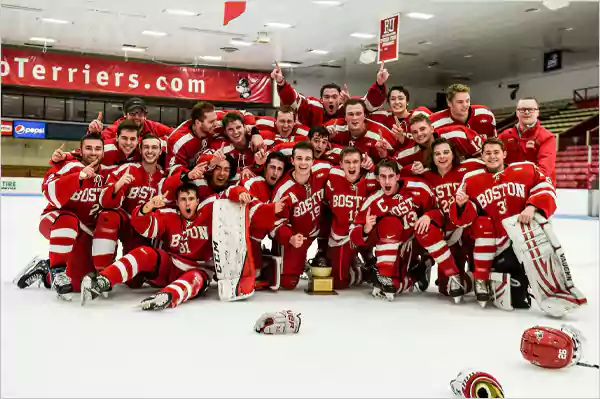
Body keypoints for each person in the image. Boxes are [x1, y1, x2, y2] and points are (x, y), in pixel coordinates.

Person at [80, 183, 252, 310]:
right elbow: (145, 228)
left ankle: (168, 296)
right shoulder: (168, 215)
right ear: (177, 202)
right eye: (183, 200)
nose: (187, 204)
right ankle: (104, 280)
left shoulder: (209, 212)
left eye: (191, 199)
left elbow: (228, 192)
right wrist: (148, 208)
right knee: (144, 253)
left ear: (197, 201)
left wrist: (241, 193)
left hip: (199, 269)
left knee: (195, 279)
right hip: (170, 265)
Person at [449, 137, 561, 308]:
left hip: (524, 237)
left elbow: (545, 186)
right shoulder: (471, 179)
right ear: (481, 155)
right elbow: (463, 221)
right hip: (495, 245)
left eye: (496, 152)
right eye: (488, 153)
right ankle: (482, 276)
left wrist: (532, 206)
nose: (492, 156)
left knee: (524, 294)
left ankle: (546, 284)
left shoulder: (526, 169)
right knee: (516, 300)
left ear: (504, 154)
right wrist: (461, 204)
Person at [349, 159, 451, 301]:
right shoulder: (373, 200)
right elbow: (353, 234)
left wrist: (428, 215)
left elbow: (439, 212)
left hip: (416, 242)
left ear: (398, 176)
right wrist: (365, 230)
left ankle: (448, 272)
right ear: (378, 178)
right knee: (394, 286)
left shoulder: (418, 187)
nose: (387, 181)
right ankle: (415, 273)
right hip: (393, 246)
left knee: (426, 230)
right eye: (383, 177)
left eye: (390, 176)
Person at [38, 133, 114, 299]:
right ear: (81, 150)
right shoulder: (68, 166)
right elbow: (49, 192)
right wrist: (78, 177)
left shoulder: (107, 174)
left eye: (97, 149)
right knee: (68, 220)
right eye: (88, 148)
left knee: (76, 284)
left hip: (84, 230)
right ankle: (57, 270)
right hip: (55, 220)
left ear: (103, 152)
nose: (93, 153)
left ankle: (45, 269)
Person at [410, 138, 486, 300]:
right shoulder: (426, 176)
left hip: (469, 229)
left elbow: (493, 162)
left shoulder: (468, 168)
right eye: (437, 153)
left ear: (453, 154)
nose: (442, 157)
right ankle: (468, 276)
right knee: (446, 289)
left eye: (446, 152)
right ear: (432, 156)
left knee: (483, 259)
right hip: (447, 234)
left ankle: (483, 277)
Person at [91, 134, 165, 272]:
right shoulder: (127, 169)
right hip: (122, 221)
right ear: (140, 149)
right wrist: (118, 185)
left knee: (135, 282)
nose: (150, 151)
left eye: (154, 147)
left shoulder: (163, 177)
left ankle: (121, 268)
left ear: (160, 151)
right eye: (146, 147)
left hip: (141, 230)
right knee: (107, 217)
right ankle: (102, 272)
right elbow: (104, 202)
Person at [270, 141, 330, 290]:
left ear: (313, 161)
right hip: (297, 236)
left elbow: (346, 171)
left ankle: (324, 252)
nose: (303, 163)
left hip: (319, 228)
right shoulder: (283, 190)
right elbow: (274, 224)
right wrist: (289, 237)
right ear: (292, 160)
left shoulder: (323, 170)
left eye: (307, 159)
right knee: (288, 283)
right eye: (299, 158)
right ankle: (274, 257)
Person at [324, 147, 379, 289]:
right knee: (340, 282)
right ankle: (358, 268)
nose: (352, 166)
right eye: (347, 162)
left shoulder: (371, 179)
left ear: (362, 163)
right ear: (341, 164)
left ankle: (373, 261)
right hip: (341, 236)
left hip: (365, 231)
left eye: (355, 162)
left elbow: (393, 174)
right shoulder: (332, 175)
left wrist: (372, 166)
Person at [271, 63, 389, 127]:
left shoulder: (349, 106)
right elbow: (293, 100)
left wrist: (379, 84)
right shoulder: (313, 107)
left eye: (334, 96)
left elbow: (371, 104)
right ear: (321, 99)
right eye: (327, 97)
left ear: (340, 97)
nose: (331, 100)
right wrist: (281, 83)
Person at [240, 151, 288, 288]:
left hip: (265, 234)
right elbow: (251, 215)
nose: (275, 172)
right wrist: (272, 209)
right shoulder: (252, 183)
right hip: (244, 239)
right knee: (254, 273)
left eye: (279, 169)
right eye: (272, 167)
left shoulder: (283, 188)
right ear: (265, 168)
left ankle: (266, 260)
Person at [498, 97, 556, 183]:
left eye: (531, 109)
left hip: (538, 187)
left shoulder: (547, 137)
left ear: (537, 112)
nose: (526, 112)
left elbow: (545, 169)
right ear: (517, 113)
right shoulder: (504, 136)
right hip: (512, 187)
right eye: (522, 109)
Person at [394, 113, 483, 168]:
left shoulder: (457, 135)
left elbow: (485, 153)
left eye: (422, 129)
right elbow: (392, 164)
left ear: (432, 129)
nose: (419, 134)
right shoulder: (412, 152)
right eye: (415, 132)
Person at [326, 98, 394, 162]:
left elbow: (394, 163)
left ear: (364, 116)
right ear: (345, 117)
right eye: (350, 114)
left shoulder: (381, 133)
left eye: (358, 114)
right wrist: (326, 136)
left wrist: (383, 154)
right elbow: (316, 136)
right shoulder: (334, 126)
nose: (354, 118)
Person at [429, 84, 497, 139]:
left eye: (467, 101)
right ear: (449, 103)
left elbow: (494, 142)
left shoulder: (485, 114)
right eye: (460, 102)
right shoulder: (434, 122)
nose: (465, 105)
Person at [88, 97, 172, 141]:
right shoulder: (116, 128)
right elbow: (97, 142)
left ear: (145, 115)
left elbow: (174, 134)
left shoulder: (154, 126)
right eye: (132, 114)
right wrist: (93, 132)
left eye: (140, 113)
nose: (136, 117)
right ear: (125, 114)